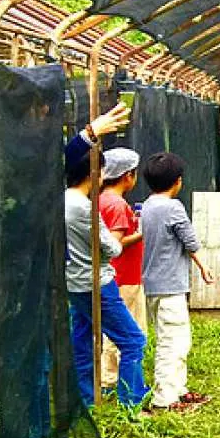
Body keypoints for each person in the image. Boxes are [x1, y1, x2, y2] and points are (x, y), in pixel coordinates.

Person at [64, 119, 151, 414]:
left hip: (74, 282)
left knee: (83, 340)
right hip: (97, 282)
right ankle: (132, 401)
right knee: (133, 340)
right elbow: (112, 247)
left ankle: (86, 399)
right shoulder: (85, 207)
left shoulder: (63, 200)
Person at [141, 152, 214, 413]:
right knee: (172, 342)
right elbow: (191, 242)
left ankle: (178, 390)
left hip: (150, 285)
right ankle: (164, 399)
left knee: (174, 340)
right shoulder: (173, 207)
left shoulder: (147, 205)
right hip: (170, 287)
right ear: (178, 181)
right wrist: (204, 268)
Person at [97, 148, 146, 397]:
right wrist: (141, 232)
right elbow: (115, 245)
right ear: (128, 175)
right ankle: (113, 382)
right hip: (123, 276)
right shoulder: (116, 204)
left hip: (120, 276)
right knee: (126, 334)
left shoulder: (101, 199)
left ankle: (112, 380)